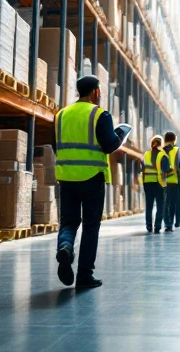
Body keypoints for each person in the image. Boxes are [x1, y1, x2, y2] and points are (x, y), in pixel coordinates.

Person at [54, 75, 123, 290]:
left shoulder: (61, 115)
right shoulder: (99, 115)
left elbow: (56, 145)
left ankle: (65, 246)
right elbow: (110, 145)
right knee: (91, 226)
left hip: (66, 177)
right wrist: (120, 135)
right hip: (92, 177)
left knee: (68, 222)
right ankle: (84, 275)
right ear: (94, 92)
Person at [142, 135, 171, 234]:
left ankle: (149, 225)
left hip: (147, 182)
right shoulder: (163, 156)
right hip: (159, 183)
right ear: (161, 144)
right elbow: (166, 170)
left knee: (149, 205)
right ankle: (157, 226)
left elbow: (142, 167)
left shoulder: (146, 154)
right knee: (160, 205)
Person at [161, 131, 180, 232]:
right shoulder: (179, 152)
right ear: (174, 140)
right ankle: (177, 222)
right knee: (176, 202)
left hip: (163, 182)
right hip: (175, 181)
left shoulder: (161, 152)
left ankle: (168, 224)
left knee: (166, 204)